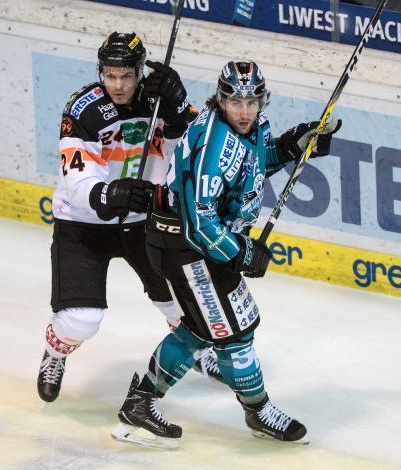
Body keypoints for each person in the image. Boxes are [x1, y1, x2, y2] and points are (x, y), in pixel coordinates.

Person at [110, 60, 341, 449]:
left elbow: (254, 163)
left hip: (195, 246)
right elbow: (199, 223)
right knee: (236, 333)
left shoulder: (249, 126)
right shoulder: (212, 145)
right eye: (236, 101)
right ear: (221, 99)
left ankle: (140, 404)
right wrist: (241, 253)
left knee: (201, 330)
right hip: (187, 247)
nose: (245, 110)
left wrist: (294, 143)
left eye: (252, 101)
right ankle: (258, 411)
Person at [36, 32, 219, 403]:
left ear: (139, 70)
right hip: (84, 223)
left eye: (127, 76)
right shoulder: (82, 108)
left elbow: (193, 153)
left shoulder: (158, 99)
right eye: (109, 75)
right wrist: (108, 193)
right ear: (100, 71)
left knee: (183, 304)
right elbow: (75, 177)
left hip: (144, 222)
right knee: (79, 322)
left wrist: (180, 111)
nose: (118, 85)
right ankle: (55, 354)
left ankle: (197, 351)